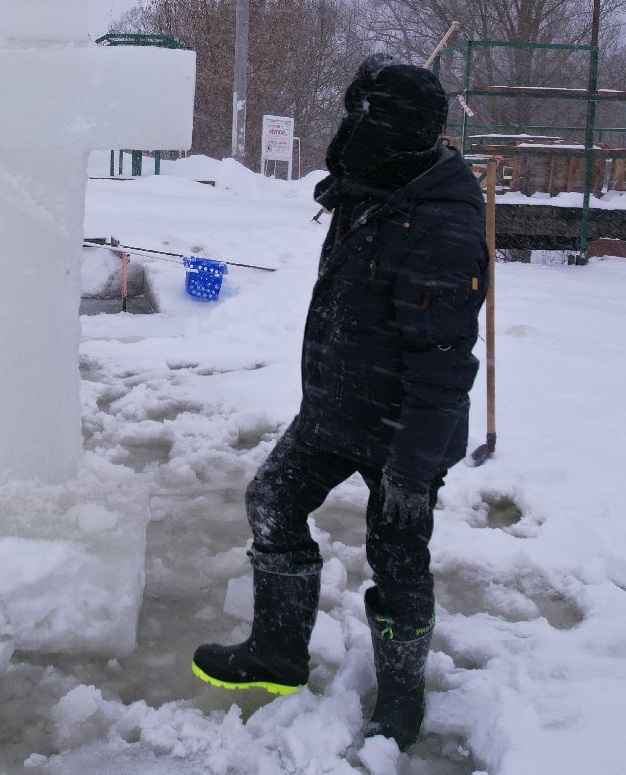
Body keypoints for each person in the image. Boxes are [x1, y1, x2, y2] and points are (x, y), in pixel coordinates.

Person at [191, 56, 488, 749]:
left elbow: (443, 363)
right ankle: (278, 652)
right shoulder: (371, 186)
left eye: (366, 117)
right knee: (273, 499)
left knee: (399, 555)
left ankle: (402, 698)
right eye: (351, 114)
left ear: (402, 130)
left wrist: (413, 472)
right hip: (335, 409)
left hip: (405, 429)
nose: (351, 130)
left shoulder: (441, 222)